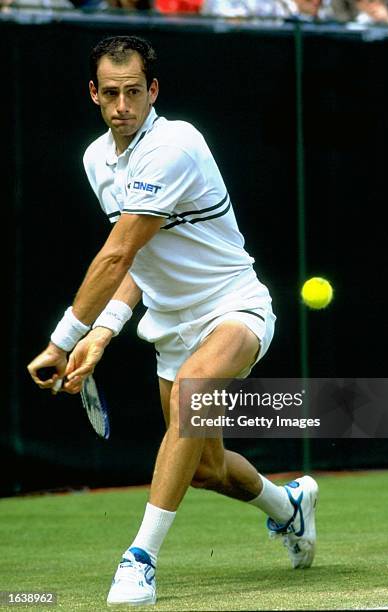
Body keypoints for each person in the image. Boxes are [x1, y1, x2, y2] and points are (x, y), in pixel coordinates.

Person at [27, 35, 318, 607]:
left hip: (234, 307)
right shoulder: (96, 161)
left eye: (133, 92)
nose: (122, 107)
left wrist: (64, 340)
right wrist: (102, 335)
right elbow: (136, 256)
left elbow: (114, 253)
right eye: (110, 94)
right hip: (170, 328)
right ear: (93, 94)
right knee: (208, 468)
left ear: (152, 90)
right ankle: (290, 507)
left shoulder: (176, 143)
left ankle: (140, 558)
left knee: (190, 396)